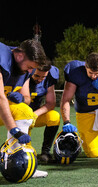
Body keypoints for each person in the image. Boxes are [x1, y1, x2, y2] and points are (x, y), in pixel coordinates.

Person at [0, 39, 48, 178]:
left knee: (25, 111)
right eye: (29, 67)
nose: (31, 71)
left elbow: (27, 98)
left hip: (2, 109)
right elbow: (0, 97)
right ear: (20, 56)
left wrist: (22, 99)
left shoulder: (24, 68)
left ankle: (19, 163)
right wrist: (14, 130)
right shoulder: (2, 58)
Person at [28, 60, 60, 163]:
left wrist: (35, 114)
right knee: (27, 153)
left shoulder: (49, 78)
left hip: (34, 114)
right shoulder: (23, 75)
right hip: (17, 116)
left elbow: (51, 103)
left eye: (43, 77)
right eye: (37, 76)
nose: (40, 79)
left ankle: (45, 152)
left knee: (54, 116)